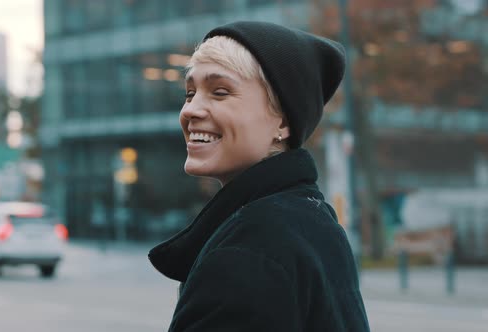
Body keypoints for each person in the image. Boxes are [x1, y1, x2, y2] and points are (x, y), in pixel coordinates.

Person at [148, 21, 370, 331]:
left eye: (220, 92)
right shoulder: (310, 219)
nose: (191, 110)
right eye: (189, 93)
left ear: (282, 121)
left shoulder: (247, 250)